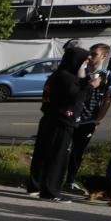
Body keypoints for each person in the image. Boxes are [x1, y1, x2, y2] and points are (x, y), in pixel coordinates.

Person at [26, 46, 101, 202]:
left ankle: (36, 186)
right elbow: (78, 96)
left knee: (43, 154)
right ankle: (50, 192)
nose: (86, 64)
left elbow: (75, 88)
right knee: (57, 158)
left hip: (51, 119)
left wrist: (85, 79)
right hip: (62, 122)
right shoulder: (65, 78)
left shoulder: (59, 75)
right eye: (84, 60)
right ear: (76, 61)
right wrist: (91, 85)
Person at [65, 44, 111, 193]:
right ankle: (52, 178)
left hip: (88, 120)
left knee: (77, 152)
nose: (90, 57)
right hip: (72, 117)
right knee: (63, 149)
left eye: (94, 54)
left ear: (103, 56)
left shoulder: (109, 76)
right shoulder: (80, 71)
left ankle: (70, 181)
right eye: (89, 53)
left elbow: (107, 100)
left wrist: (97, 119)